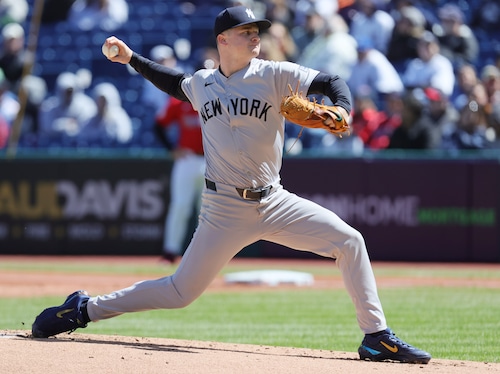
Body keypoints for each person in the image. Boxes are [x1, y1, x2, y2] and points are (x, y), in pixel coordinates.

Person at [31, 5, 431, 365]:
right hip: (223, 210)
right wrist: (132, 58)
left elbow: (331, 80)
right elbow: (174, 82)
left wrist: (342, 108)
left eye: (257, 30)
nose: (255, 36)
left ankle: (376, 337)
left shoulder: (275, 74)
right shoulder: (204, 83)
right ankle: (84, 309)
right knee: (179, 293)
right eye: (246, 31)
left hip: (275, 201)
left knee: (350, 241)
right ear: (223, 40)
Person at [156, 95, 205, 263]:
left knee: (208, 210)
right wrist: (171, 149)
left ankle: (205, 255)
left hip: (212, 160)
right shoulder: (179, 101)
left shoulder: (220, 97)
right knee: (180, 206)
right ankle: (170, 251)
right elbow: (158, 125)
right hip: (187, 158)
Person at [77, 82, 133, 147]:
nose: (101, 104)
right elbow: (83, 135)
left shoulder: (120, 117)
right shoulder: (91, 117)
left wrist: (110, 122)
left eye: (103, 101)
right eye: (99, 100)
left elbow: (124, 137)